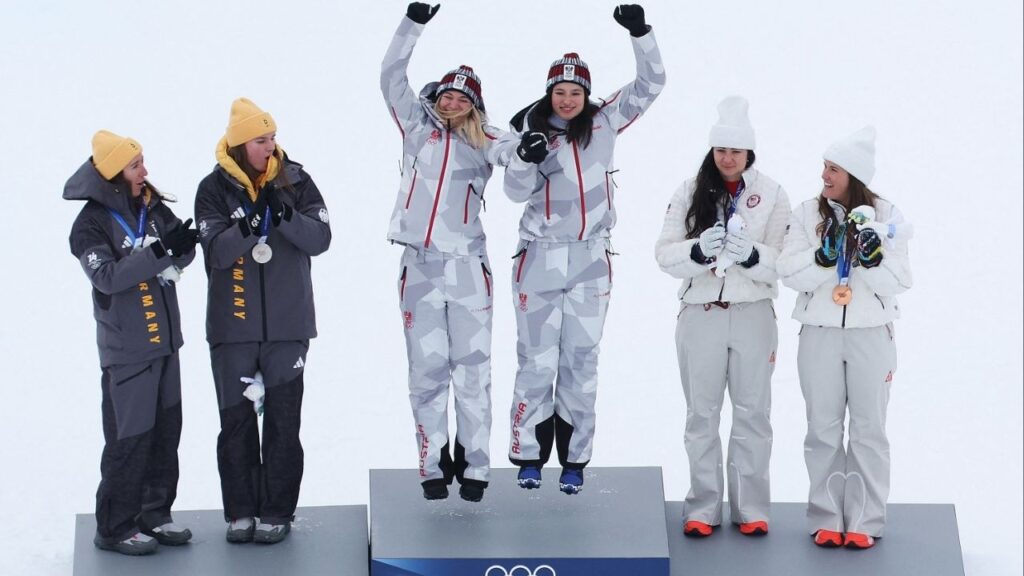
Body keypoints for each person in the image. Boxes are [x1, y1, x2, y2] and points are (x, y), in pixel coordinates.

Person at [503, 4, 665, 495]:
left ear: (586, 94)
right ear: (548, 92)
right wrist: (525, 161)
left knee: (580, 358)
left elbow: (651, 84)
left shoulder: (605, 121)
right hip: (539, 256)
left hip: (592, 257)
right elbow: (513, 191)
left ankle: (574, 461)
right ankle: (529, 456)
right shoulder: (527, 129)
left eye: (576, 92)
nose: (568, 99)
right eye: (560, 91)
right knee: (536, 359)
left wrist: (641, 33)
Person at [382, 2, 517, 503]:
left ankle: (476, 466)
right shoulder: (417, 130)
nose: (452, 102)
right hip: (418, 266)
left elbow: (513, 149)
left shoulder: (485, 139)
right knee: (426, 372)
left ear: (474, 104)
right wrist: (413, 23)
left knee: (473, 370)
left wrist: (524, 149)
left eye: (462, 97)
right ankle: (431, 464)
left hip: (467, 270)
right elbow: (391, 74)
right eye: (446, 95)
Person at [194, 98, 331, 544]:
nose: (271, 146)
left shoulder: (297, 180)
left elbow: (321, 238)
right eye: (260, 139)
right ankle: (240, 513)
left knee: (283, 423)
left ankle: (276, 512)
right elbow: (215, 253)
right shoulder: (211, 190)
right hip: (232, 330)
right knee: (235, 424)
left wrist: (284, 213)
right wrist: (250, 226)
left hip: (289, 329)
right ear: (239, 145)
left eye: (272, 137)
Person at [655, 97, 790, 537]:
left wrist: (751, 256)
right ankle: (702, 506)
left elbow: (786, 262)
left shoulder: (771, 193)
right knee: (701, 414)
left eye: (736, 150)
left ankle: (751, 508)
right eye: (720, 150)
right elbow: (664, 254)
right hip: (701, 315)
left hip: (752, 314)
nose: (727, 158)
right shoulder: (690, 190)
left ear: (749, 153)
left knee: (753, 412)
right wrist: (697, 251)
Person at [777, 126, 912, 549]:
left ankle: (865, 519)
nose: (824, 175)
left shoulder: (888, 215)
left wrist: (871, 258)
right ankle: (826, 516)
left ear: (853, 174)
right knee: (822, 428)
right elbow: (788, 272)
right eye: (824, 167)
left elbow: (901, 281)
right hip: (819, 333)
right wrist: (823, 258)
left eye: (833, 169)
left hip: (871, 335)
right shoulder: (805, 214)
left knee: (869, 429)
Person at [66, 130, 198, 555]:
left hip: (165, 343)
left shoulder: (150, 205)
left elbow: (179, 246)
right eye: (136, 165)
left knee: (166, 431)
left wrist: (181, 248)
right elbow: (107, 276)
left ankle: (155, 513)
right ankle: (115, 526)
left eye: (143, 162)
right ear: (113, 173)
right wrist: (162, 252)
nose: (145, 171)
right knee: (130, 440)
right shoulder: (88, 224)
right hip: (128, 351)